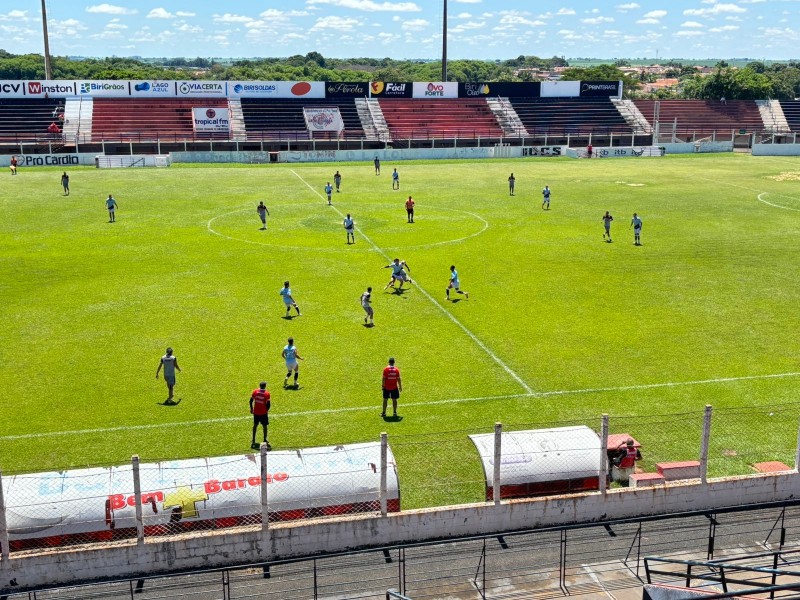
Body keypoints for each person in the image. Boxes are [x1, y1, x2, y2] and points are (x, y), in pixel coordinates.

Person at [249, 381, 272, 450]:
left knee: (255, 426)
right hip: (263, 413)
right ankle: (265, 439)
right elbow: (268, 404)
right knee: (264, 426)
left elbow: (250, 401)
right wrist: (266, 411)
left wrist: (251, 409)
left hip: (256, 412)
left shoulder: (255, 391)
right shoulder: (267, 393)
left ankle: (253, 439)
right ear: (265, 386)